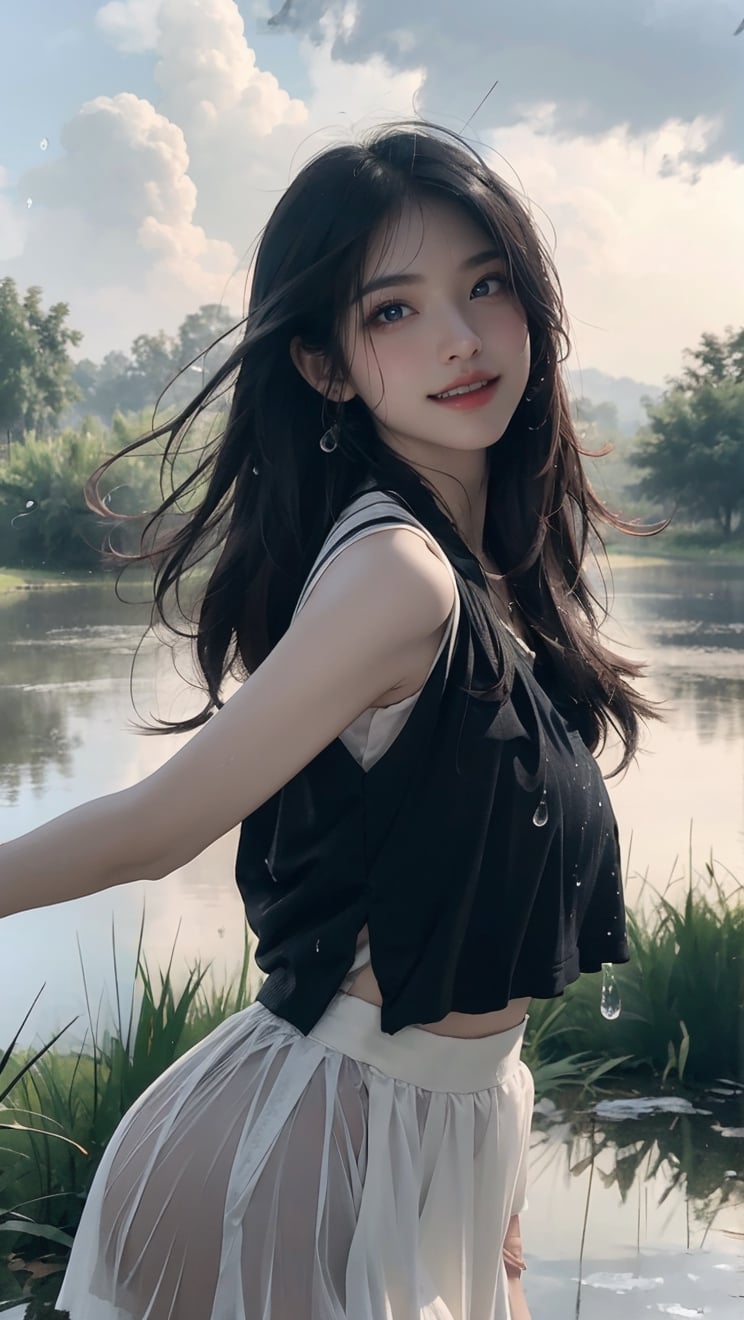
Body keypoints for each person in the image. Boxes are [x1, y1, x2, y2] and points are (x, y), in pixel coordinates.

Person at [0, 120, 658, 1320]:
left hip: (438, 1143)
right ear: (325, 365)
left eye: (486, 285)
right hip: (296, 1161)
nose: (460, 339)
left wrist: (494, 1222)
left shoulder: (489, 578)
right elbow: (153, 831)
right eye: (394, 310)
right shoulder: (398, 575)